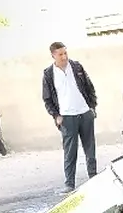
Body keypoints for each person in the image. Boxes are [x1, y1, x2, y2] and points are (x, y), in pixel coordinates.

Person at [41, 42, 99, 191]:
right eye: (60, 54)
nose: (64, 57)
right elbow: (47, 98)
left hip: (84, 112)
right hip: (67, 117)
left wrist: (92, 107)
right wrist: (56, 115)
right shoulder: (48, 74)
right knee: (70, 151)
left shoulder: (76, 67)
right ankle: (69, 184)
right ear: (53, 55)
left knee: (90, 149)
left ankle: (94, 177)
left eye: (65, 53)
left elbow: (89, 87)